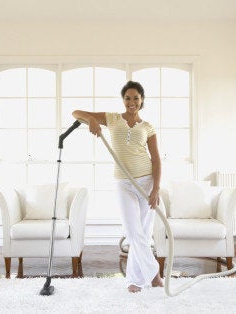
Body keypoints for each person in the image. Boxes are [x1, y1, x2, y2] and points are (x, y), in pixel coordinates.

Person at [72, 81, 163, 293]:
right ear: (123, 100)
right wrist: (93, 120)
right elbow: (75, 112)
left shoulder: (148, 127)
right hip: (124, 183)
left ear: (142, 100)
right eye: (128, 98)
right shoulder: (112, 119)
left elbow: (156, 160)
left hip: (147, 182)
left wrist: (156, 189)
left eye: (136, 98)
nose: (132, 102)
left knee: (142, 232)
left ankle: (134, 280)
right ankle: (155, 275)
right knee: (133, 232)